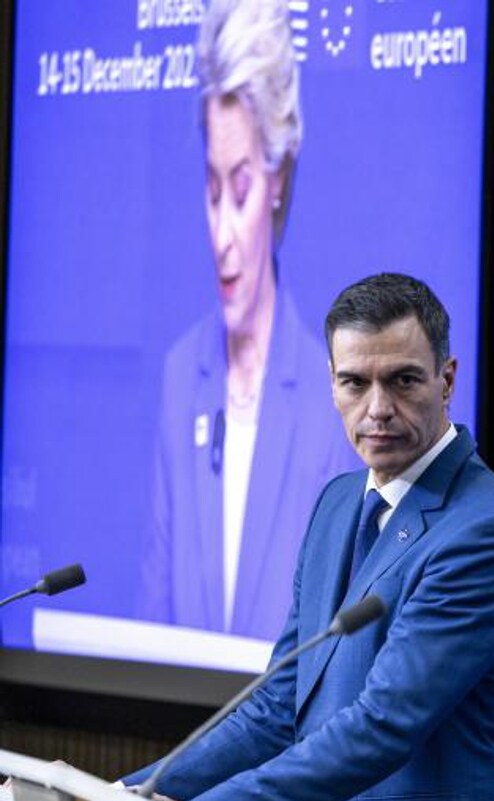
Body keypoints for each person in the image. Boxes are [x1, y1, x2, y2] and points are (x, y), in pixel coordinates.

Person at [125, 273, 494, 801]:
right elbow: (277, 707)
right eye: (355, 383)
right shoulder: (337, 502)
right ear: (330, 384)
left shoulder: (489, 534)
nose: (377, 409)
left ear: (447, 381)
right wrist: (134, 797)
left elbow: (382, 726)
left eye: (402, 381)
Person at [140, 0, 355, 639]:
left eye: (240, 192)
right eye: (211, 193)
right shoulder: (182, 377)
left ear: (278, 178)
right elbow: (150, 629)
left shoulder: (331, 398)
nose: (223, 235)